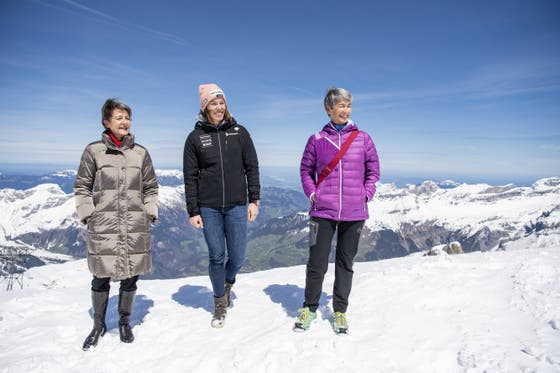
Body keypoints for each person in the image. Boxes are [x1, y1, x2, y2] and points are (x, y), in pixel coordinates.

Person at [74, 98, 159, 350]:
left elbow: (151, 187)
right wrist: (90, 216)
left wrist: (149, 211)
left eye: (127, 118)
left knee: (131, 275)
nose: (125, 122)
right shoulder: (93, 151)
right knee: (100, 275)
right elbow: (82, 186)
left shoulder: (141, 152)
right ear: (106, 122)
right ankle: (99, 324)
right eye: (119, 118)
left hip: (134, 223)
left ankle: (124, 321)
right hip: (104, 225)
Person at [295, 87, 380, 334]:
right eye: (340, 106)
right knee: (317, 262)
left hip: (354, 213)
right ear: (328, 109)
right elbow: (305, 171)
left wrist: (367, 193)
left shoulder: (363, 139)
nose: (345, 110)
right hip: (322, 211)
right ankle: (309, 308)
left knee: (345, 262)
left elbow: (373, 170)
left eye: (348, 105)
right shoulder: (317, 140)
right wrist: (313, 193)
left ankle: (340, 311)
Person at [183, 83, 260, 328]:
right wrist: (193, 210)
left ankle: (227, 283)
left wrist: (254, 199)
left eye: (221, 102)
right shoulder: (195, 138)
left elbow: (252, 167)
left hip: (237, 204)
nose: (218, 107)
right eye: (213, 103)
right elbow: (190, 176)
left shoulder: (240, 132)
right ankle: (219, 302)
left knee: (237, 257)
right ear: (205, 107)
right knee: (217, 256)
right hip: (209, 207)